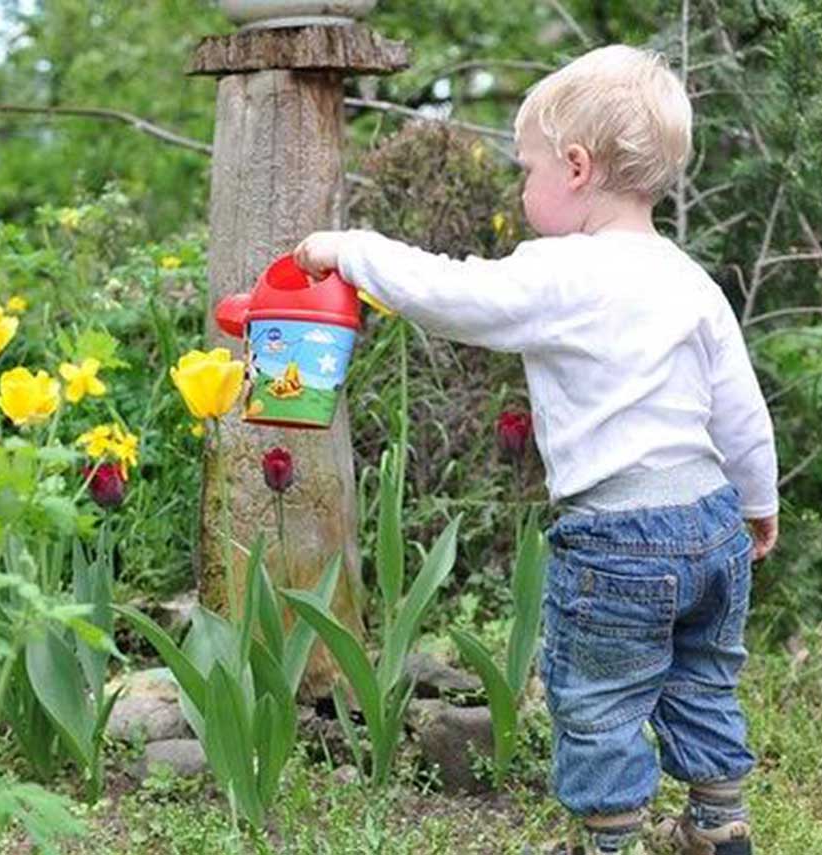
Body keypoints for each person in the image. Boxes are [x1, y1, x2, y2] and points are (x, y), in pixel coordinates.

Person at [294, 44, 778, 855]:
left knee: (600, 697)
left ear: (578, 168)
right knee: (702, 679)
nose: (523, 190)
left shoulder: (561, 272)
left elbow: (451, 295)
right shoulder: (691, 280)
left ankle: (611, 842)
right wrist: (758, 503)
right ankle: (717, 818)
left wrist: (349, 251)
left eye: (528, 169)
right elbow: (742, 411)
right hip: (711, 520)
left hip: (618, 538)